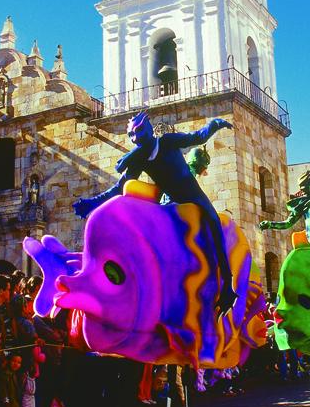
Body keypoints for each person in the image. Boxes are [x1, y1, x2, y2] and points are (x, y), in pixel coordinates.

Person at [73, 111, 236, 314]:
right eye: (131, 135)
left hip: (193, 196)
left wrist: (214, 124)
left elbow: (197, 137)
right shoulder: (138, 160)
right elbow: (119, 187)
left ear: (149, 128)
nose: (136, 138)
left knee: (214, 223)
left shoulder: (168, 141)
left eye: (139, 131)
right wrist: (91, 203)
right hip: (171, 203)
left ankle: (228, 283)